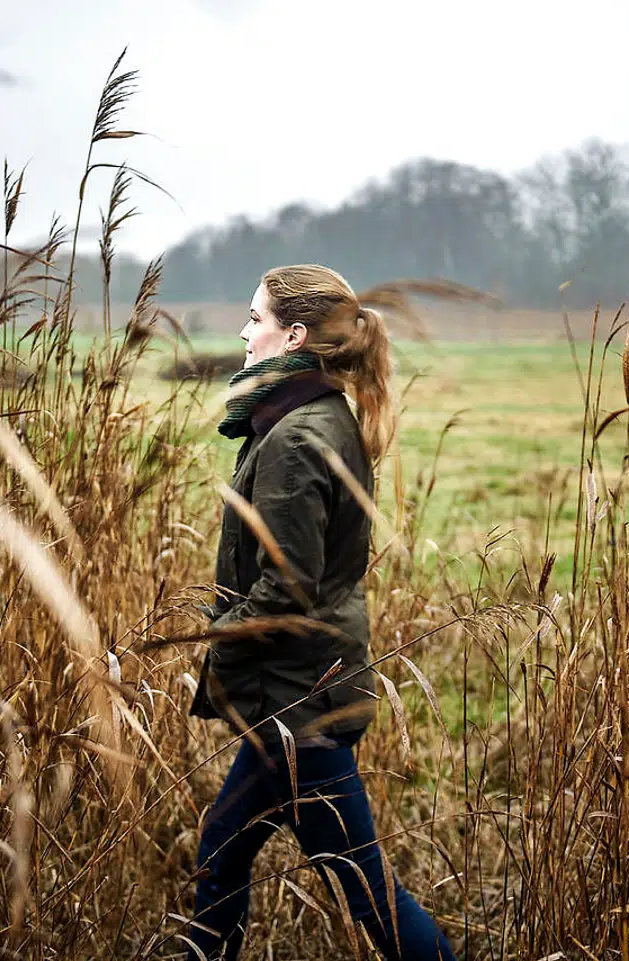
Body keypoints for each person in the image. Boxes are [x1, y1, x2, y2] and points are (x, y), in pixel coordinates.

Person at [185, 265, 456, 959]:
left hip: (298, 710)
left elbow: (288, 586)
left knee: (370, 893)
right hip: (299, 698)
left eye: (256, 318)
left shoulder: (298, 437)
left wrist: (209, 638)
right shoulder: (316, 417)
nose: (245, 333)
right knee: (221, 852)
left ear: (294, 333)